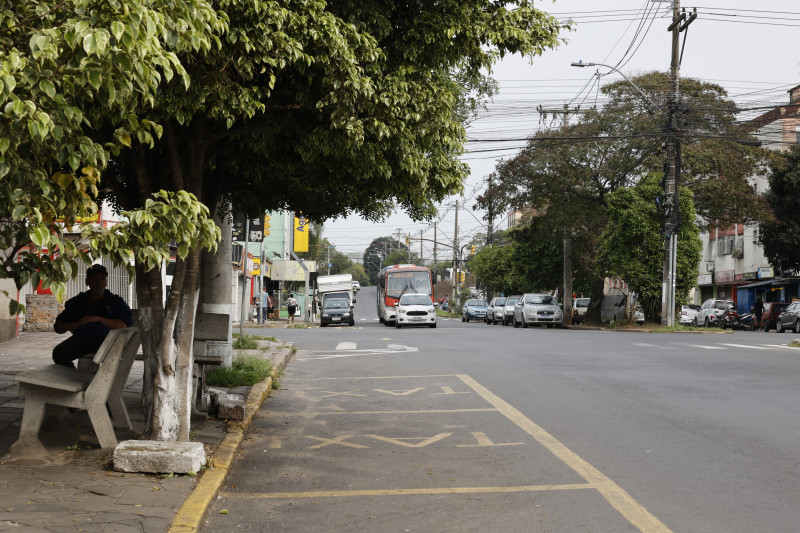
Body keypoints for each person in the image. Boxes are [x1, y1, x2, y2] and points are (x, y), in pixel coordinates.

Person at [52, 264, 133, 368]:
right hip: (81, 340)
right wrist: (70, 326)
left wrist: (98, 319)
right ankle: (72, 378)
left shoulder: (116, 302)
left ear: (106, 282)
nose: (98, 282)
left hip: (107, 341)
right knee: (59, 353)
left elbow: (123, 325)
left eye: (102, 279)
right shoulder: (78, 302)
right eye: (94, 279)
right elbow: (58, 327)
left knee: (115, 360)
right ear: (87, 282)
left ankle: (105, 382)